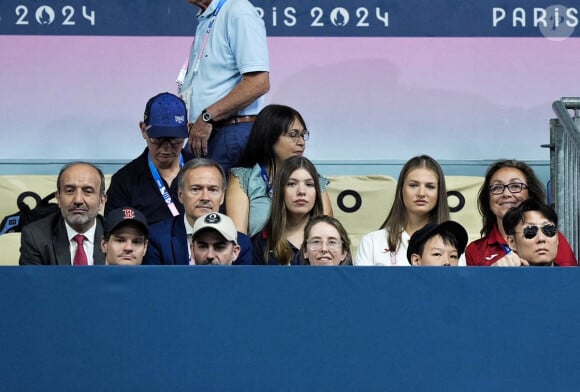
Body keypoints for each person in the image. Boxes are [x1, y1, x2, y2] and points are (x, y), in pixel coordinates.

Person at [179, 0, 270, 174]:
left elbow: (258, 83)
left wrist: (207, 117)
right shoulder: (208, 18)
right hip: (209, 132)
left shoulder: (239, 11)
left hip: (228, 131)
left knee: (221, 200)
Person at [226, 104, 333, 236]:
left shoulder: (314, 179)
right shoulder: (243, 177)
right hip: (257, 255)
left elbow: (328, 234)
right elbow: (238, 239)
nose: (301, 142)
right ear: (269, 137)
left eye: (302, 135)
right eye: (293, 135)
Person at [465, 159, 577, 266]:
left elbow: (569, 282)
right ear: (488, 198)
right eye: (497, 187)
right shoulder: (475, 250)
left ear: (530, 194)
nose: (506, 194)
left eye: (515, 186)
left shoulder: (552, 238)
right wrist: (493, 275)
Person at [143, 158, 252, 265]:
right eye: (196, 189)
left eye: (213, 190)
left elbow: (240, 282)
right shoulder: (157, 238)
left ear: (222, 197)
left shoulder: (241, 242)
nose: (205, 197)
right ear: (180, 195)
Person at [106, 92, 193, 225]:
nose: (166, 148)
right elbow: (115, 235)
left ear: (188, 130)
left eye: (175, 139)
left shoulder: (204, 173)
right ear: (143, 130)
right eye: (157, 139)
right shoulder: (124, 181)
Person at [355, 155, 451, 266]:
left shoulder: (453, 244)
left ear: (440, 192)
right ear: (401, 189)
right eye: (413, 185)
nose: (421, 193)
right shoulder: (371, 243)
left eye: (430, 186)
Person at [19, 162, 107, 265]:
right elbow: (33, 281)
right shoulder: (35, 236)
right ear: (59, 199)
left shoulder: (116, 235)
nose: (78, 200)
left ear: (101, 201)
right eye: (69, 191)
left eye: (87, 191)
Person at [253, 156, 324, 265]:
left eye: (309, 184)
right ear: (280, 191)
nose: (301, 191)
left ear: (317, 192)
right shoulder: (261, 242)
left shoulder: (333, 238)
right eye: (292, 184)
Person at [500, 199, 560, 267]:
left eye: (549, 229)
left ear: (557, 238)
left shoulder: (571, 276)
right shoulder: (499, 275)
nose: (541, 238)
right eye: (530, 231)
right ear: (512, 242)